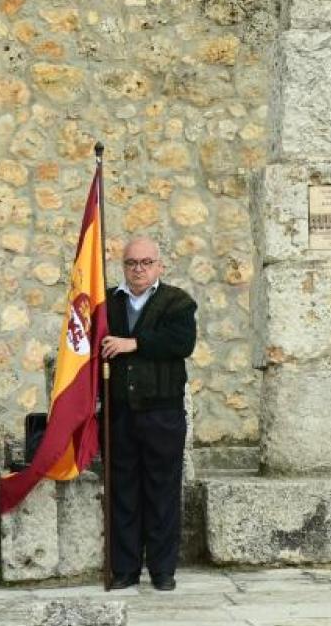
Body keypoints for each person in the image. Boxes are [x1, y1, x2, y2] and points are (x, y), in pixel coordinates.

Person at [100, 237, 197, 592]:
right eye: (131, 263)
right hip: (119, 412)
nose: (138, 269)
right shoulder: (107, 303)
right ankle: (124, 568)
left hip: (162, 413)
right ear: (123, 266)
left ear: (159, 265)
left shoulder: (178, 302)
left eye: (145, 262)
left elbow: (181, 342)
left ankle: (162, 569)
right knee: (122, 492)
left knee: (162, 492)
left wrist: (134, 343)